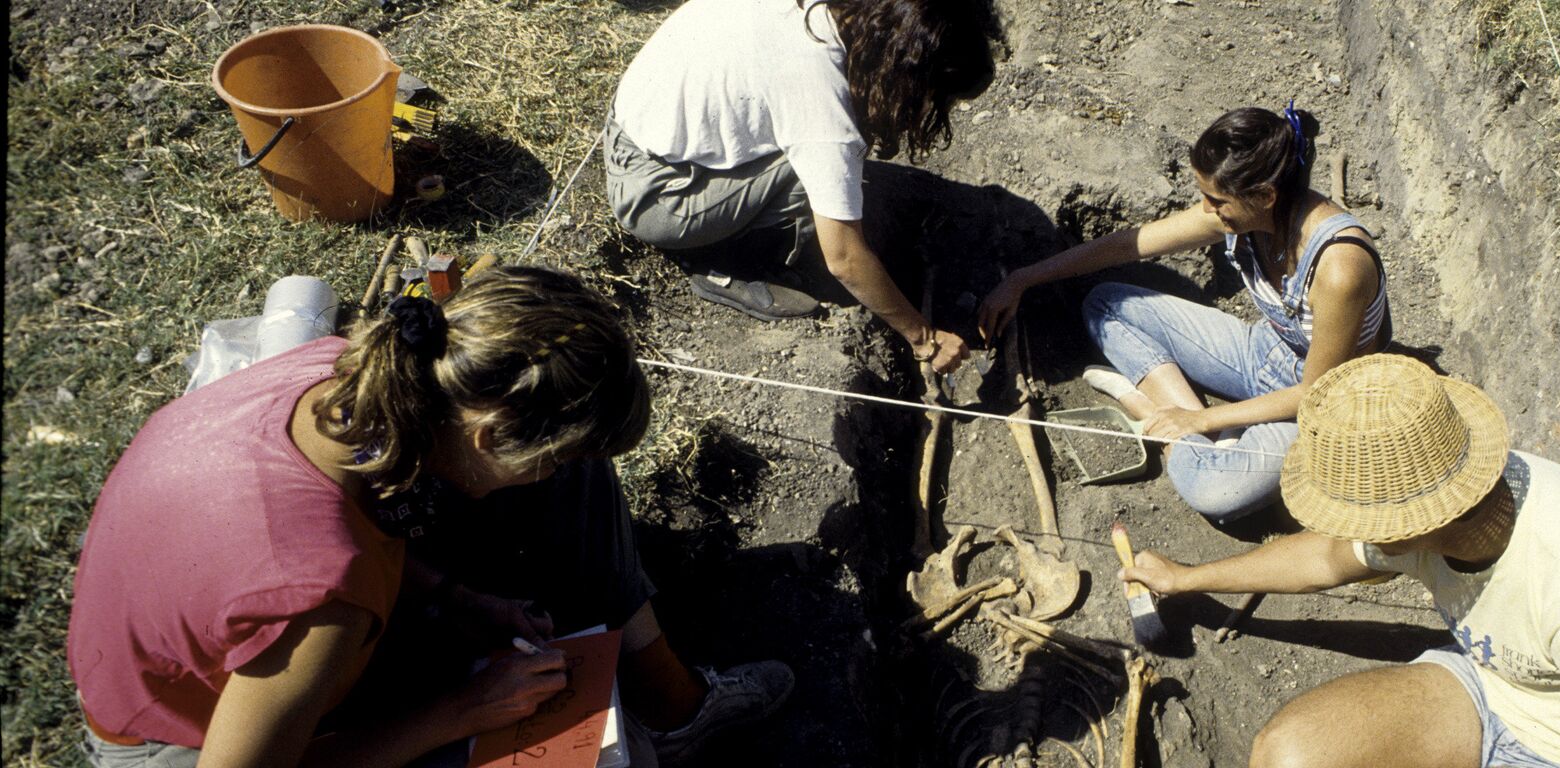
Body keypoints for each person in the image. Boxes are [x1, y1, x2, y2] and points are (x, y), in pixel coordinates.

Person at [67, 266, 792, 768]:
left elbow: (323, 528)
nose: (549, 475)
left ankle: (673, 705)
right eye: (540, 458)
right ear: (484, 437)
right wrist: (462, 710)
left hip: (258, 642)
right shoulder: (323, 604)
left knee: (579, 478)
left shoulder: (342, 374)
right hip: (182, 739)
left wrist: (452, 597)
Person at [1120, 355, 1560, 768]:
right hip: (1495, 687)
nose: (1338, 528)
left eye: (1351, 514)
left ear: (1407, 525)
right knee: (1288, 755)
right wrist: (1187, 578)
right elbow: (1324, 559)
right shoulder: (1443, 500)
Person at [976, 105, 1392, 524]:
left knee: (1214, 492)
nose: (1206, 210)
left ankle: (1155, 411)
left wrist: (1201, 416)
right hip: (1266, 353)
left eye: (1216, 200)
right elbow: (1129, 246)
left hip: (1323, 401)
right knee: (1104, 304)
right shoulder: (1248, 214)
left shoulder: (1339, 267)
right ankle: (1197, 433)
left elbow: (1313, 393)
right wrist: (1024, 279)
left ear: (1265, 195)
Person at [605, 0, 993, 374]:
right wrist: (924, 338)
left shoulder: (831, 11)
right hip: (657, 194)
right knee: (817, 184)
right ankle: (722, 262)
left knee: (832, 169)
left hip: (635, 123)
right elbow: (844, 258)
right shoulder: (818, 99)